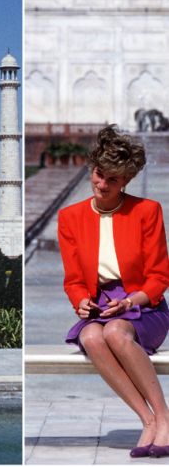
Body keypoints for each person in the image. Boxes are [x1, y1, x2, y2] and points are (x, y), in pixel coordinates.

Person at [59, 125, 169, 458]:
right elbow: (74, 279)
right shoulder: (70, 217)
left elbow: (159, 277)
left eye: (113, 180)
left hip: (144, 306)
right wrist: (80, 302)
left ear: (126, 181)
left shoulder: (146, 211)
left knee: (118, 335)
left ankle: (164, 418)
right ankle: (147, 419)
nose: (102, 185)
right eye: (98, 175)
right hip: (100, 304)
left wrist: (128, 302)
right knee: (93, 338)